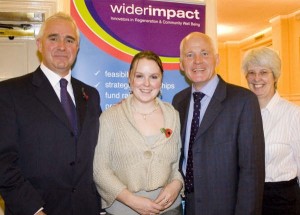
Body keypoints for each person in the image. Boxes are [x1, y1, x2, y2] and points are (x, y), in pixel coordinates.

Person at [0, 12, 102, 215]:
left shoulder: (91, 94)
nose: (62, 47)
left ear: (77, 47)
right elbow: (3, 162)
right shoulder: (9, 93)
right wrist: (35, 210)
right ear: (39, 44)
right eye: (53, 38)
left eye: (69, 40)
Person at [172, 32, 265, 215]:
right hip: (187, 206)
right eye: (190, 55)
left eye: (205, 53)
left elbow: (251, 172)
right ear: (181, 64)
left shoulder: (243, 101)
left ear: (217, 59)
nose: (198, 61)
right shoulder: (178, 101)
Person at [93, 50, 184, 215]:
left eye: (154, 77)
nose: (146, 84)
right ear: (130, 77)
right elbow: (100, 170)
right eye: (140, 76)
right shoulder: (109, 117)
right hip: (124, 210)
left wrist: (176, 185)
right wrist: (132, 201)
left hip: (170, 209)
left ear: (161, 80)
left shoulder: (173, 116)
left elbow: (179, 165)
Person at [242, 47, 300, 215]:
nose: (256, 78)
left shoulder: (294, 115)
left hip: (283, 201)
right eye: (251, 72)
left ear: (275, 76)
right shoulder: (240, 113)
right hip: (248, 198)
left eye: (264, 72)